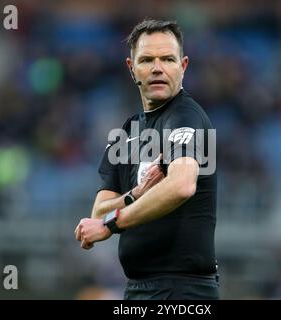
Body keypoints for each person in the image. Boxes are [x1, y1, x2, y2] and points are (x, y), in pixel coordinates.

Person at [75, 19, 218, 300]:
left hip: (183, 290)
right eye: (147, 60)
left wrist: (110, 225)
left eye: (167, 59)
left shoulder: (185, 116)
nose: (157, 68)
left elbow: (181, 185)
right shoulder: (129, 131)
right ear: (131, 68)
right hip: (138, 289)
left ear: (183, 66)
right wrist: (134, 195)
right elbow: (98, 211)